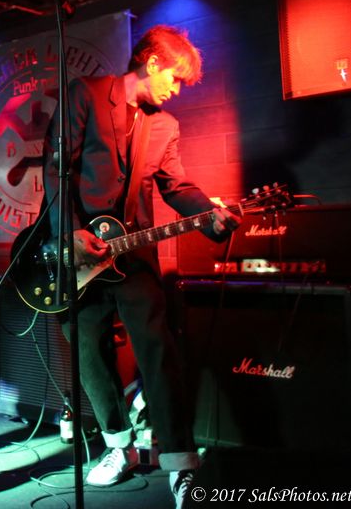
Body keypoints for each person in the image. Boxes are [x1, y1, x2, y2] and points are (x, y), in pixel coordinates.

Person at [42, 25, 240, 509]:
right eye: (174, 78)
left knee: (158, 351)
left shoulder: (165, 125)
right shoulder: (86, 94)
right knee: (87, 352)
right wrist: (70, 232)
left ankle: (180, 463)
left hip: (133, 255)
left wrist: (211, 217)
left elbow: (177, 186)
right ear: (152, 63)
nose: (176, 90)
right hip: (81, 255)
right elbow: (57, 169)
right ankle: (119, 445)